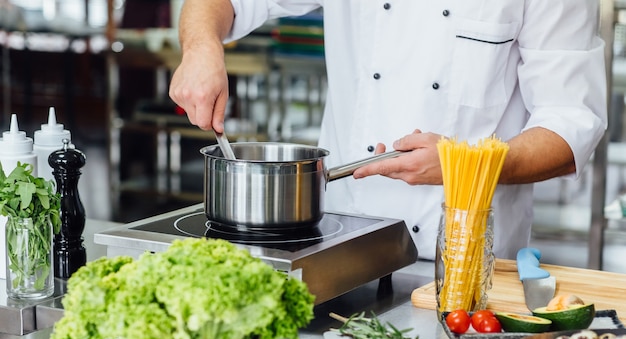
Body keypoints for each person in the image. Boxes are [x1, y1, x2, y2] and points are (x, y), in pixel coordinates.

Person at [169, 1, 607, 261]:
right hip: (338, 254)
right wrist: (201, 45)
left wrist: (467, 164)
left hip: (467, 267)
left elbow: (570, 126)